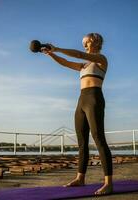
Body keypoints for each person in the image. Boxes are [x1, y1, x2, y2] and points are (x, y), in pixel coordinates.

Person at [41, 33, 113, 195]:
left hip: (94, 98)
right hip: (82, 100)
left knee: (99, 138)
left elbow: (80, 54)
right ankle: (80, 178)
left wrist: (58, 48)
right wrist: (51, 54)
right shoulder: (84, 65)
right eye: (83, 43)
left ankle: (108, 183)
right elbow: (65, 63)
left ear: (94, 42)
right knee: (82, 142)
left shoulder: (101, 59)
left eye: (86, 42)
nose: (84, 45)